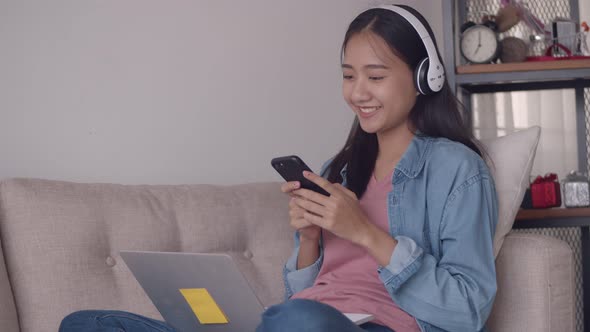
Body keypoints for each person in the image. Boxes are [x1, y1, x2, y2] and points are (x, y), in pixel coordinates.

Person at [59, 4, 498, 332]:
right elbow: (299, 296)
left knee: (300, 320)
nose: (357, 92)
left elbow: (467, 309)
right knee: (87, 324)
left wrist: (363, 231)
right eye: (348, 75)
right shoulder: (340, 168)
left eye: (375, 76)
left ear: (425, 77)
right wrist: (310, 238)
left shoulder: (456, 169)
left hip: (365, 325)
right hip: (297, 320)